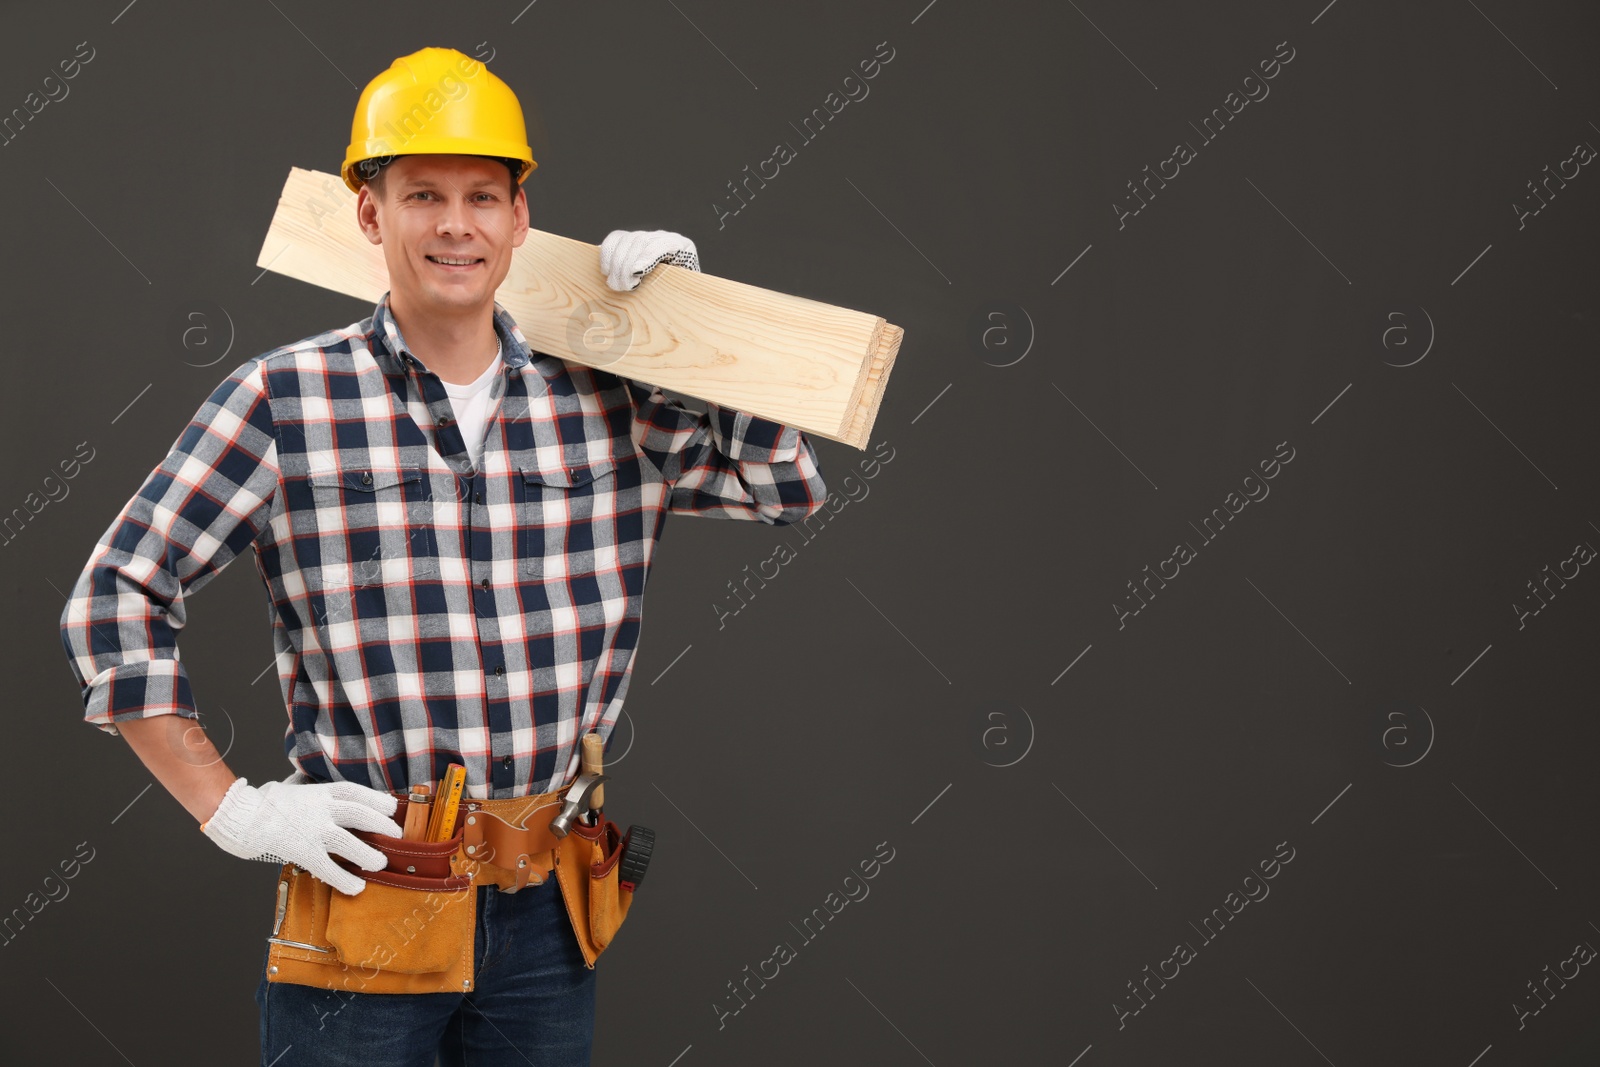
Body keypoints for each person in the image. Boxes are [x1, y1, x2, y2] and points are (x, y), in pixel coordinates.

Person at [57, 46, 826, 1067]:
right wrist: (233, 808)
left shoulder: (606, 393)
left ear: (519, 218)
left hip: (550, 909)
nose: (454, 224)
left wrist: (695, 327)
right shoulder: (283, 401)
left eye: (482, 195)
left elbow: (782, 489)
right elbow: (114, 597)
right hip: (365, 900)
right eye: (421, 194)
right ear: (370, 214)